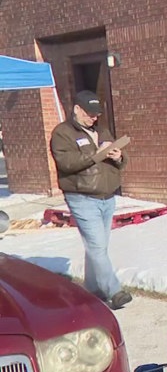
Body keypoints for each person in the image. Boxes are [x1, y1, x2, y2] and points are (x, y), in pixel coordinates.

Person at [49, 90, 131, 309]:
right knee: (96, 246)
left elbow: (120, 161)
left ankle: (93, 289)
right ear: (76, 109)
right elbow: (67, 163)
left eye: (96, 114)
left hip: (106, 195)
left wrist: (118, 156)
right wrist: (98, 154)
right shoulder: (62, 133)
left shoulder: (102, 130)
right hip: (81, 196)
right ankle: (114, 291)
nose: (94, 118)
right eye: (89, 114)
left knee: (99, 246)